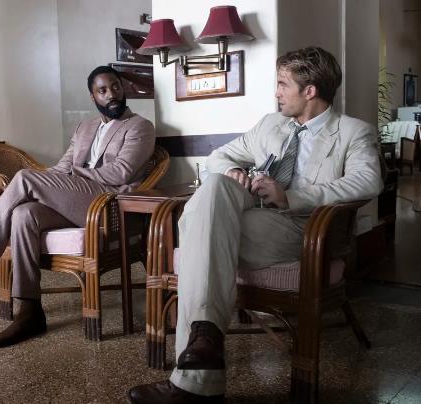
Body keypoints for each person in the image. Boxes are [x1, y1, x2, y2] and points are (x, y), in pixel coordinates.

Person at [128, 47, 383, 403]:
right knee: (214, 188)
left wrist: (290, 196)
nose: (276, 92)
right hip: (255, 218)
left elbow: (367, 181)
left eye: (282, 84)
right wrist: (233, 170)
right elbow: (219, 156)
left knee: (199, 227)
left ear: (310, 90)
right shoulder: (270, 124)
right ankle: (204, 346)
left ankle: (197, 373)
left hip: (305, 229)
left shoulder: (353, 132)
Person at [0, 65, 155, 348]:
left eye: (115, 87)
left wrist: (63, 176)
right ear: (93, 97)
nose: (112, 94)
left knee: (24, 178)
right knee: (24, 214)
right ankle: (29, 310)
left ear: (123, 88)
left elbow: (121, 173)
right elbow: (62, 168)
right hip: (77, 201)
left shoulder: (140, 126)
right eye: (103, 90)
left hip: (107, 204)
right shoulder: (84, 128)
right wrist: (26, 188)